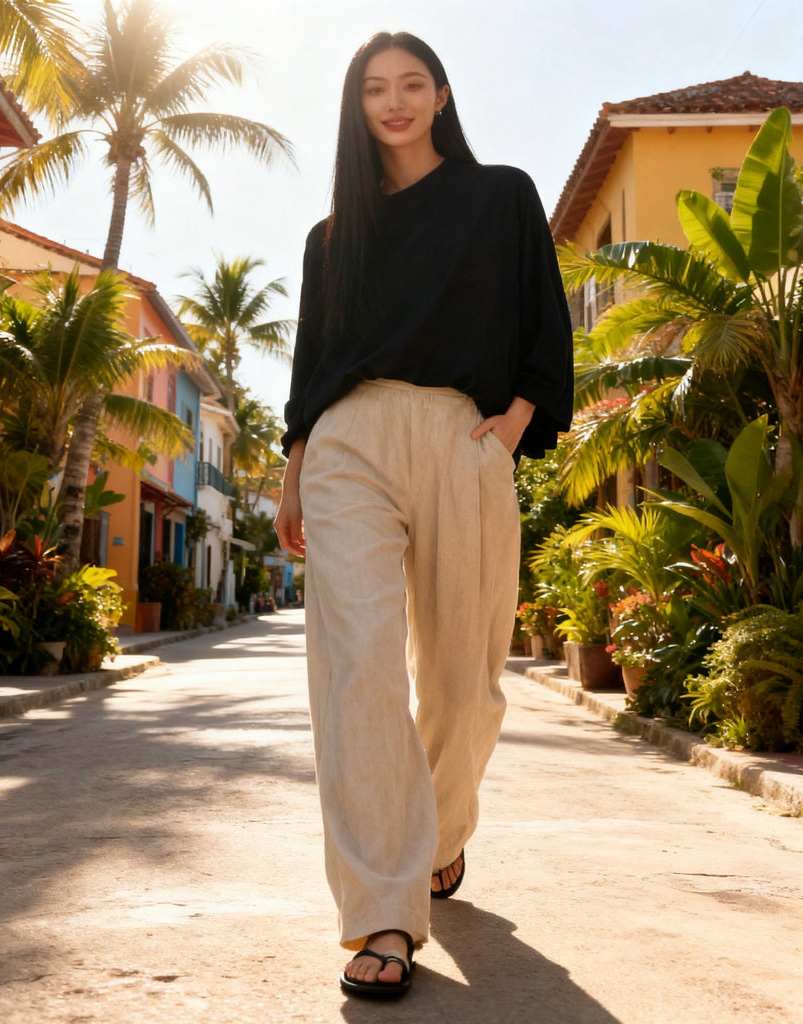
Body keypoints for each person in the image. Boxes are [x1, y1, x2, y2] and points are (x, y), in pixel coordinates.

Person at [274, 30, 572, 1000]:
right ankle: (383, 912)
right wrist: (294, 466)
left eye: (411, 84)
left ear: (440, 96)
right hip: (346, 443)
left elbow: (543, 315)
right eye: (374, 89)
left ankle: (437, 838)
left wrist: (516, 418)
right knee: (356, 667)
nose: (393, 102)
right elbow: (312, 363)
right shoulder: (332, 238)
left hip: (462, 435)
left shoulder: (501, 198)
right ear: (356, 109)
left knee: (461, 681)